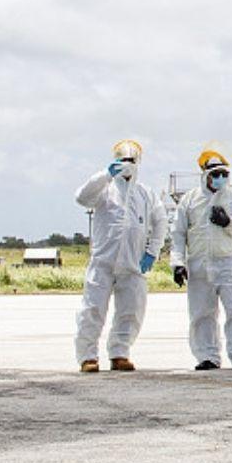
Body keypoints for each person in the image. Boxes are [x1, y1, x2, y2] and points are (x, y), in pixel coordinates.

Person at [72, 140, 169, 372]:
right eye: (123, 160)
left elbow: (160, 222)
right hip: (103, 263)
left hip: (133, 264)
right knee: (92, 310)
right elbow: (81, 197)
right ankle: (88, 357)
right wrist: (105, 175)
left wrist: (151, 252)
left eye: (131, 161)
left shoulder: (145, 194)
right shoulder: (105, 190)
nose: (127, 165)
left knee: (131, 310)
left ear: (138, 163)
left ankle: (120, 353)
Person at [171, 148, 232, 371]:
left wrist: (229, 224)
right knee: (201, 313)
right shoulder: (189, 200)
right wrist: (178, 263)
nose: (220, 178)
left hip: (227, 261)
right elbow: (178, 234)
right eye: (215, 174)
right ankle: (207, 356)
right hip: (198, 263)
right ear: (205, 175)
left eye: (224, 174)